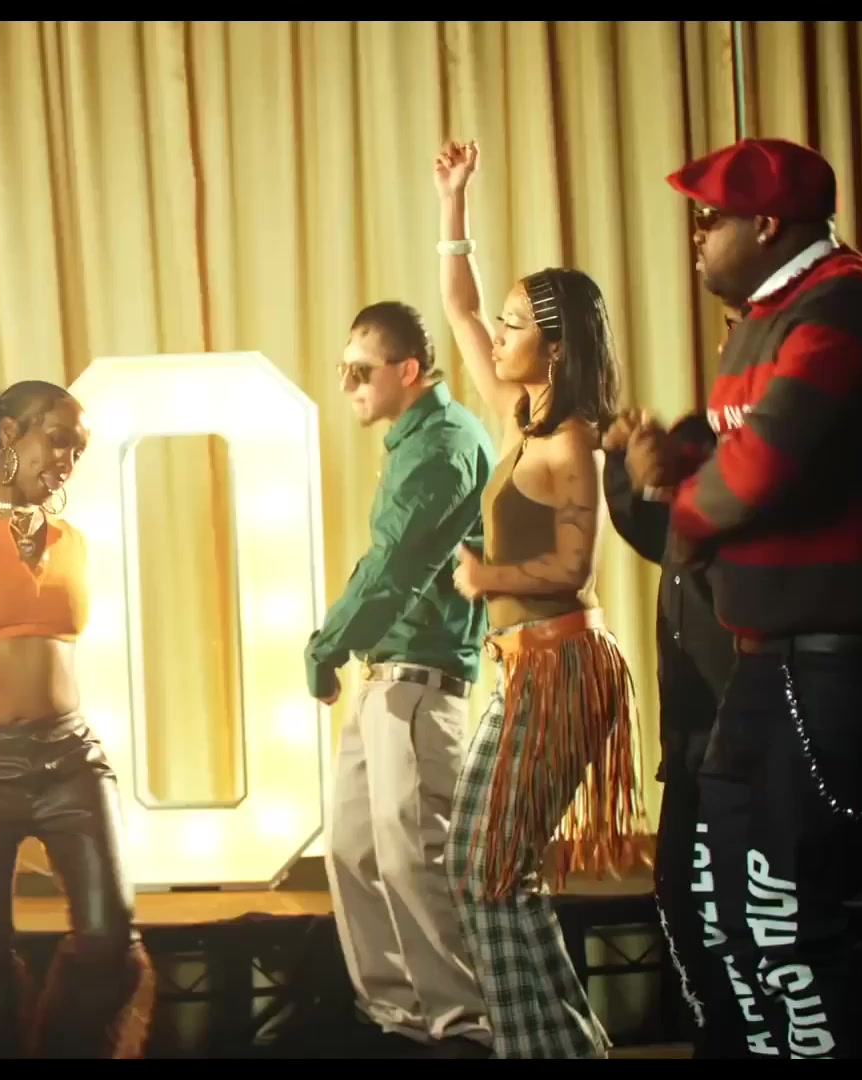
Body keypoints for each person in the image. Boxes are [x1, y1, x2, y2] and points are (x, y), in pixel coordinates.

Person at [620, 137, 862, 1058]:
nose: (696, 237)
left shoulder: (850, 304)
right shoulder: (763, 319)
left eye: (709, 219)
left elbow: (760, 471)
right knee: (730, 916)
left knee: (791, 928)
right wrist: (676, 461)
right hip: (768, 664)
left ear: (765, 224)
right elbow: (731, 460)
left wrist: (679, 501)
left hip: (844, 665)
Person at [430, 139, 649, 1059]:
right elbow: (459, 306)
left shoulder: (572, 443)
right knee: (490, 870)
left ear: (555, 347)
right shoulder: (521, 417)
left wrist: (487, 578)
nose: (499, 334)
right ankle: (565, 1045)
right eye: (506, 320)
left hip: (561, 669)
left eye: (517, 324)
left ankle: (545, 1048)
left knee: (484, 869)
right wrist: (454, 201)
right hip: (527, 670)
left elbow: (572, 565)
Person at [0, 373, 154, 1059]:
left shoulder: (71, 540)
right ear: (9, 433)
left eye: (79, 449)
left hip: (71, 758)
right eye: (59, 440)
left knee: (110, 941)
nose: (69, 459)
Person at [306, 302, 495, 1055]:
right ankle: (399, 1018)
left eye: (360, 370)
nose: (346, 384)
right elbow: (387, 562)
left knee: (414, 857)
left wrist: (326, 645)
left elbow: (395, 568)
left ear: (408, 370)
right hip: (387, 675)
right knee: (354, 849)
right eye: (343, 370)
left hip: (420, 679)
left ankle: (463, 1026)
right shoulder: (417, 441)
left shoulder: (443, 446)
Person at [600, 413, 741, 1057]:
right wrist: (618, 462)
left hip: (736, 755)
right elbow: (639, 520)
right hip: (687, 757)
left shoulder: (733, 537)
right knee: (680, 903)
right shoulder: (676, 530)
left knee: (729, 916)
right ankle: (714, 1037)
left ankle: (738, 1039)